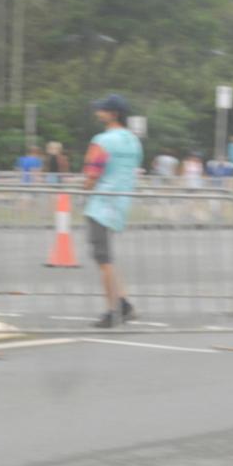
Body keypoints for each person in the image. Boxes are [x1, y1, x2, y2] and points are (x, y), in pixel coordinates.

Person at [83, 94, 143, 328]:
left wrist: (85, 187)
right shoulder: (134, 141)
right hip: (121, 202)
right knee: (107, 257)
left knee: (102, 257)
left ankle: (113, 309)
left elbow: (92, 173)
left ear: (113, 114)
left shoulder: (102, 140)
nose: (99, 112)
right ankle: (123, 302)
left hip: (101, 204)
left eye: (102, 110)